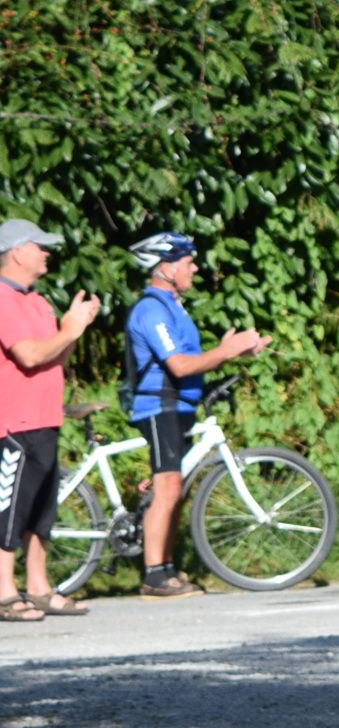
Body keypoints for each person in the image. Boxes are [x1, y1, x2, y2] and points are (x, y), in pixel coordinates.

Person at [121, 230, 267, 599]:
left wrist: (233, 352)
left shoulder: (175, 308)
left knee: (176, 490)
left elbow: (194, 360)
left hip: (180, 405)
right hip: (160, 406)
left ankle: (166, 567)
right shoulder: (152, 309)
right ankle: (154, 576)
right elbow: (180, 365)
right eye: (188, 262)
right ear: (166, 267)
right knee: (167, 487)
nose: (195, 268)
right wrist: (227, 351)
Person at [0, 219, 99, 620]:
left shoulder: (38, 301)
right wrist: (69, 329)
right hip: (13, 421)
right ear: (17, 252)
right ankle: (4, 591)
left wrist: (75, 328)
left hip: (44, 417)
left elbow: (56, 354)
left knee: (42, 509)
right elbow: (28, 355)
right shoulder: (2, 299)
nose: (46, 253)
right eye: (39, 246)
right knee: (10, 508)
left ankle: (39, 587)